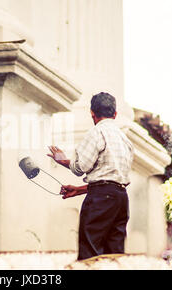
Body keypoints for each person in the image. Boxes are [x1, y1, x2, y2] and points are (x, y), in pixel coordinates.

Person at [47, 92, 134, 260]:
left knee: (90, 252)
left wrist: (62, 160)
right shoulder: (125, 140)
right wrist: (79, 190)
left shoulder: (96, 133)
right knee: (114, 255)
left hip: (101, 199)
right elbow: (114, 180)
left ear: (92, 113)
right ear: (114, 114)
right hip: (121, 199)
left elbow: (81, 167)